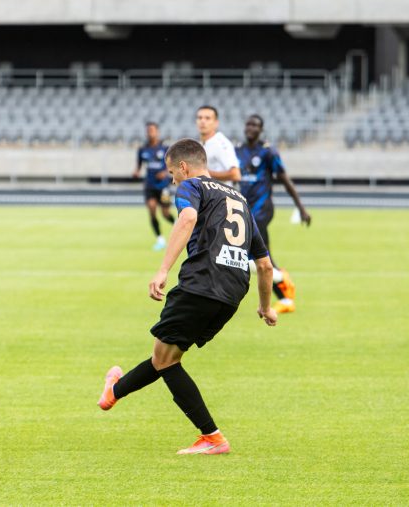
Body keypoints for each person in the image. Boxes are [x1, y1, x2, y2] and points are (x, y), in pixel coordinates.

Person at [98, 138, 277, 455]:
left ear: (183, 166)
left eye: (171, 172)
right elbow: (264, 264)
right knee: (165, 356)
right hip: (233, 290)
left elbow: (188, 219)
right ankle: (113, 393)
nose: (172, 179)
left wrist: (163, 269)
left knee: (166, 361)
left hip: (202, 282)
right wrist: (265, 307)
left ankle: (212, 437)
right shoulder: (239, 199)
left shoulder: (193, 186)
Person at [236, 114, 311, 313]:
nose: (251, 127)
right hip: (244, 209)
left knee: (254, 252)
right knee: (261, 254)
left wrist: (300, 208)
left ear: (261, 130)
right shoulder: (238, 151)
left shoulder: (268, 153)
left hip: (262, 209)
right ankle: (283, 290)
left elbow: (285, 180)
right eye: (248, 124)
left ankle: (282, 288)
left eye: (255, 125)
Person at [133, 122, 174, 250]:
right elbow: (139, 166)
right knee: (151, 209)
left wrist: (166, 173)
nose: (150, 133)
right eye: (148, 130)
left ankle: (179, 226)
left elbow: (173, 166)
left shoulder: (165, 149)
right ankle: (160, 239)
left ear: (157, 132)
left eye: (152, 130)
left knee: (166, 213)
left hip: (163, 186)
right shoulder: (142, 149)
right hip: (149, 185)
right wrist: (136, 172)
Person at [195, 105, 240, 186]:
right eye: (200, 118)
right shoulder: (201, 143)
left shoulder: (221, 144)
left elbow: (236, 175)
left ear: (216, 123)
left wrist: (203, 173)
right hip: (209, 196)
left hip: (222, 197)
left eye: (207, 118)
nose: (202, 121)